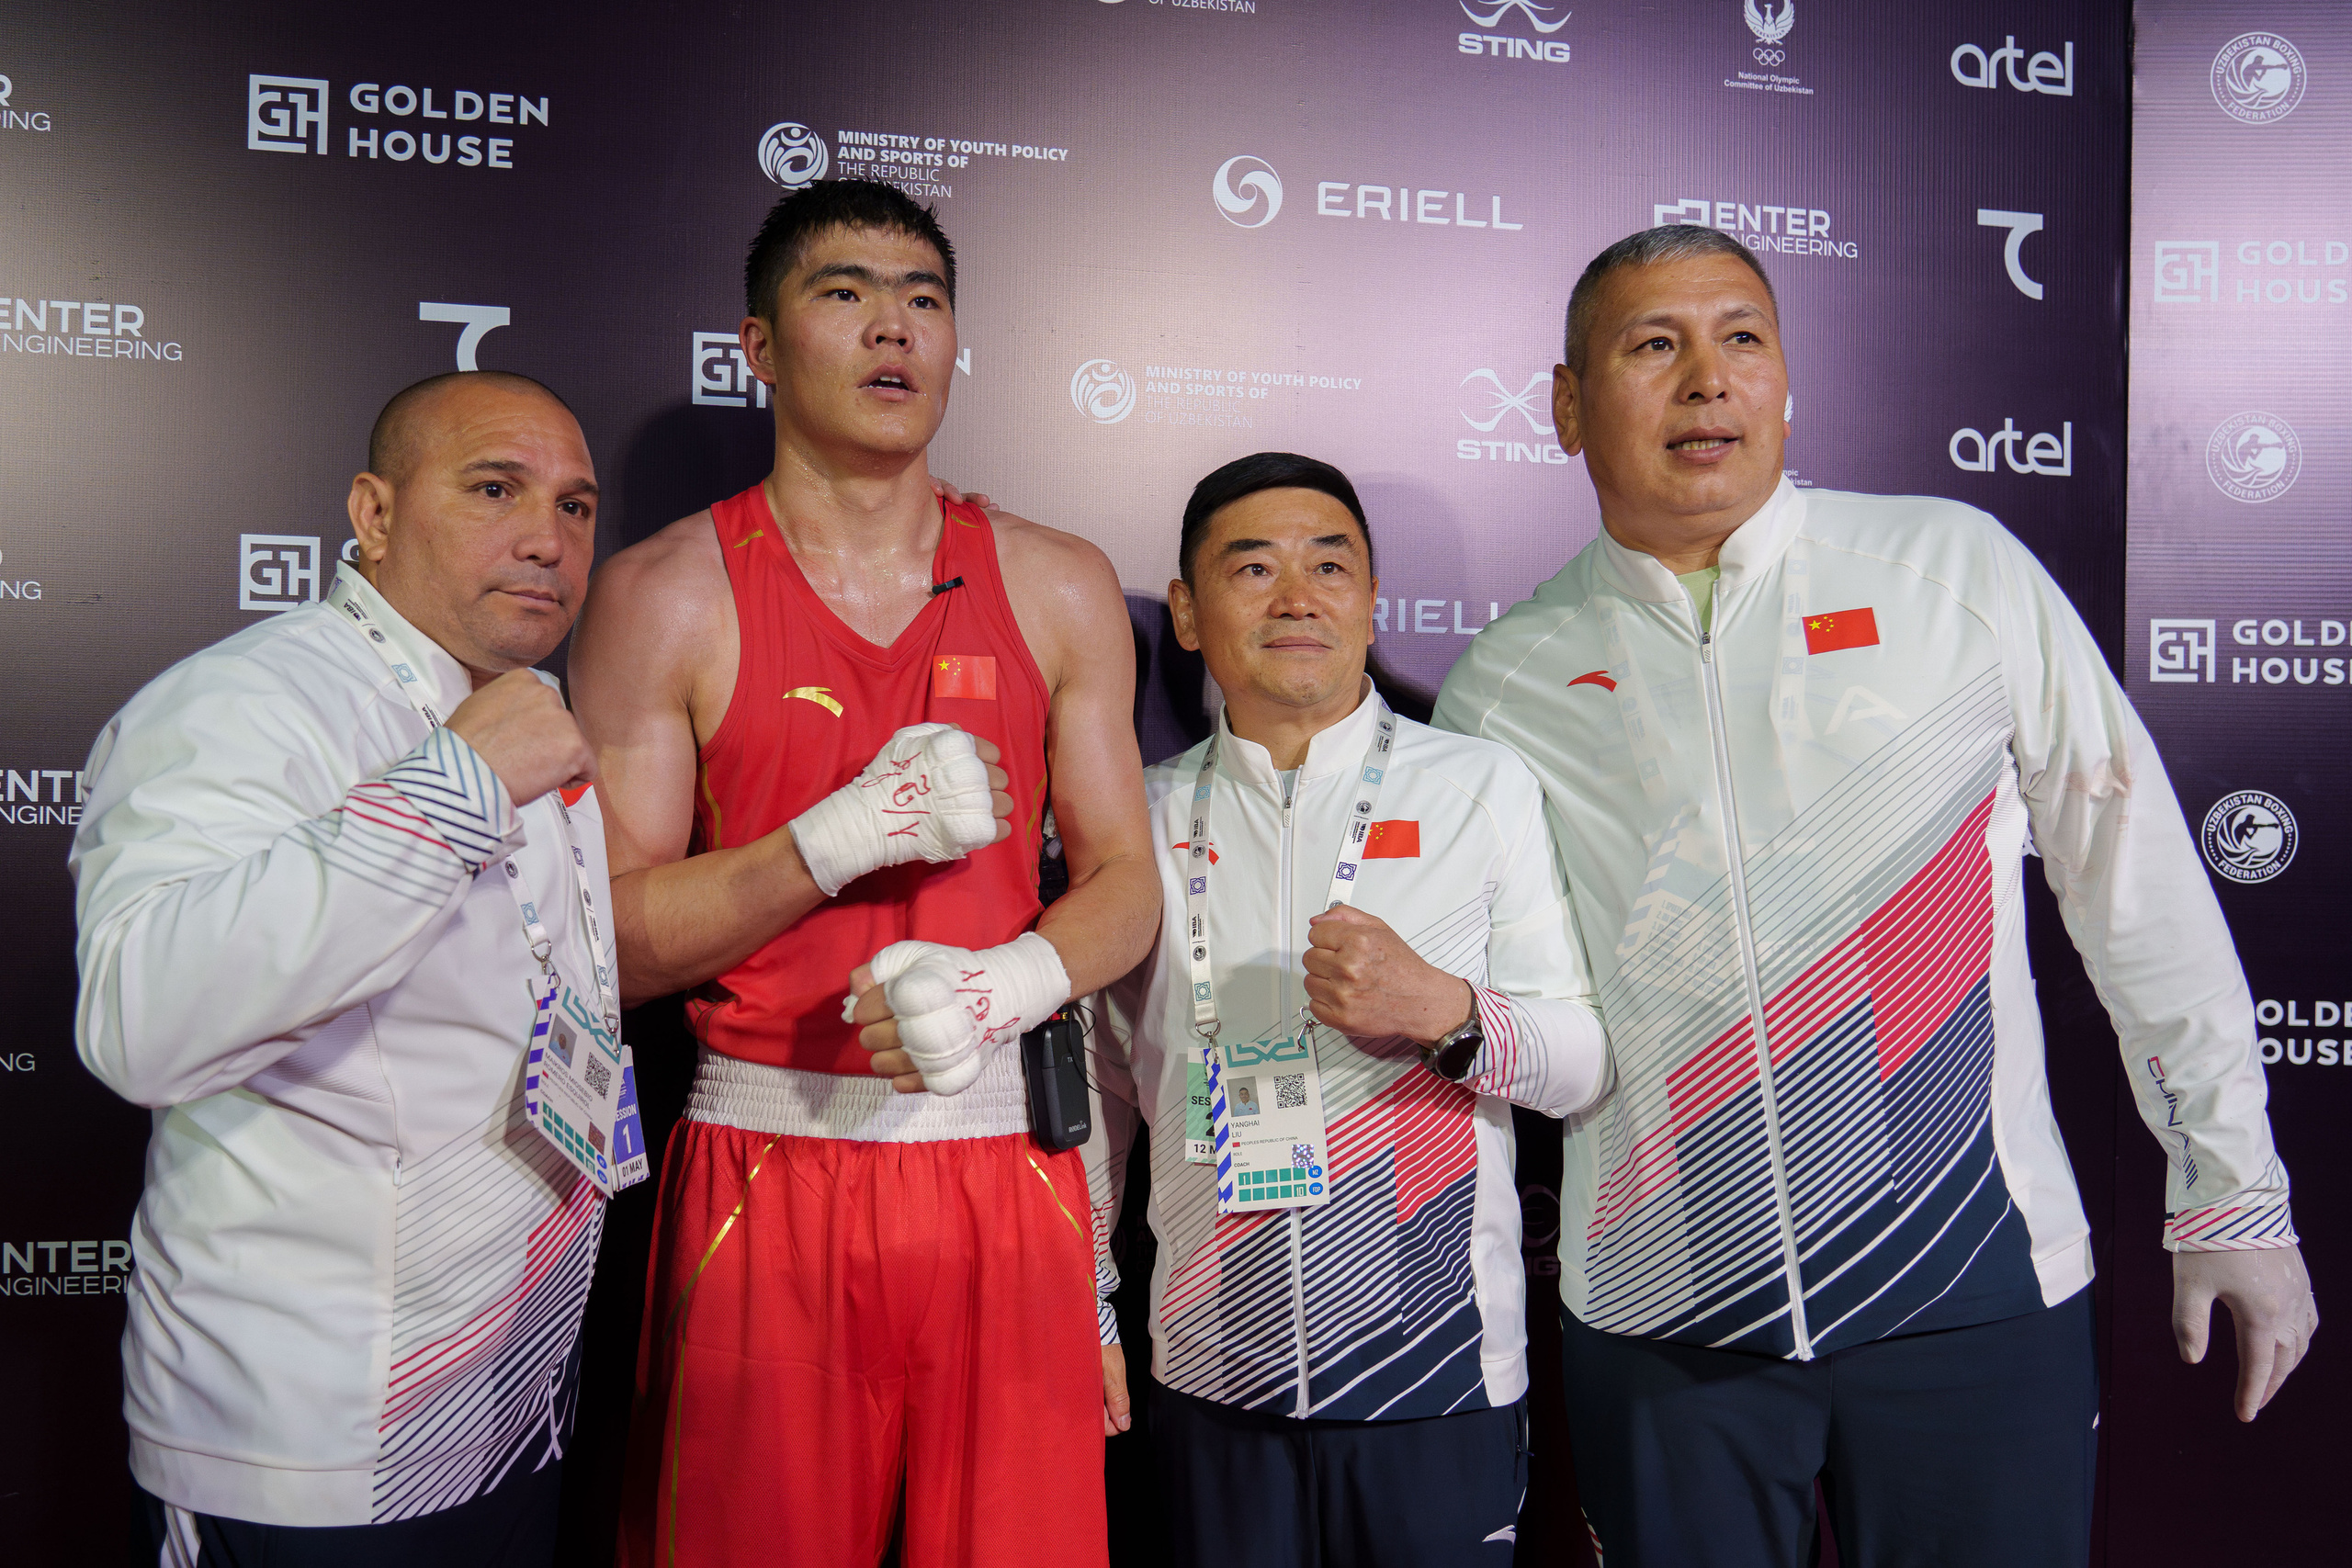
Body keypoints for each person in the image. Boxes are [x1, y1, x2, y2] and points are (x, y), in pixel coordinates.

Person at [1432, 225, 2321, 1567]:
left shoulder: (1954, 570)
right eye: (1652, 346)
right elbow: (1521, 1015)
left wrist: (2233, 1192)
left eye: (1742, 338)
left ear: (1788, 380)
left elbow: (2136, 887)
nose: (1707, 381)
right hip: (1667, 1316)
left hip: (1974, 1289)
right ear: (1566, 403)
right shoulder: (1506, 678)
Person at [571, 179, 1158, 1568]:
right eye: (845, 292)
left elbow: (1127, 882)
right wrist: (836, 835)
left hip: (1006, 1167)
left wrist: (1007, 980)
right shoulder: (666, 594)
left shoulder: (1058, 581)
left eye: (925, 298)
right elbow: (619, 943)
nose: (894, 326)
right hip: (768, 1161)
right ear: (759, 347)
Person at [74, 370, 614, 1565]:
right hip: (293, 1453)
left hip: (511, 1413)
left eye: (576, 506)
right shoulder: (242, 703)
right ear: (372, 513)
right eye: (494, 488)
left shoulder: (526, 710)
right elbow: (139, 1019)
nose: (546, 537)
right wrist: (454, 787)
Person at [1086, 453, 1611, 1567]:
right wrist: (1089, 1304)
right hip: (1209, 1374)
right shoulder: (1135, 814)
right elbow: (1100, 1096)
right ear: (1184, 612)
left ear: (1373, 601)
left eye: (1330, 566)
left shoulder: (1480, 786)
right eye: (1253, 568)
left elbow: (1580, 1062)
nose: (1297, 598)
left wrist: (1449, 1011)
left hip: (1441, 1375)